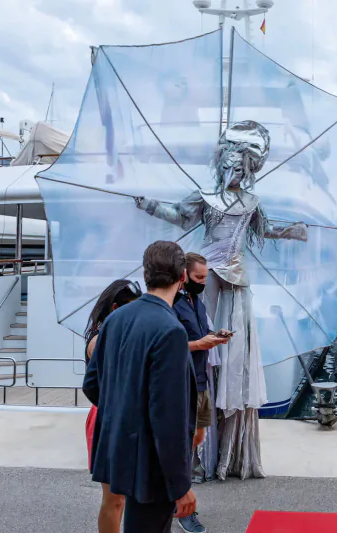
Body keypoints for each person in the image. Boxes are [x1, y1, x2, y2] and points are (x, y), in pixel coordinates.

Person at [135, 120, 308, 480]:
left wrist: (292, 230)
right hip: (208, 278)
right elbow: (179, 216)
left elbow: (264, 229)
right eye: (228, 164)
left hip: (238, 283)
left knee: (234, 356)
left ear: (247, 169)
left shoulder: (252, 202)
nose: (232, 171)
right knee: (206, 347)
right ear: (221, 164)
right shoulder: (205, 197)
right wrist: (150, 206)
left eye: (238, 166)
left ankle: (228, 452)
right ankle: (198, 446)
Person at [83, 241, 198, 533]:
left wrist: (125, 419)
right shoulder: (171, 330)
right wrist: (180, 484)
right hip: (152, 463)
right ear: (182, 276)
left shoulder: (114, 320)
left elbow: (92, 385)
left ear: (146, 275)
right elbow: (168, 417)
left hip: (117, 445)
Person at [174, 252, 231, 533]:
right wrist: (199, 344)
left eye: (205, 278)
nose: (203, 282)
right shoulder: (172, 303)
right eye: (199, 278)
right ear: (184, 276)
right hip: (183, 382)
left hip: (200, 380)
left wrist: (215, 335)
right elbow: (170, 344)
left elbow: (200, 333)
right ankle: (183, 506)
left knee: (198, 436)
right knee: (184, 447)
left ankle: (176, 492)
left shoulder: (196, 301)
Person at [83, 279, 142, 533]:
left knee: (128, 497)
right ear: (117, 308)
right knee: (114, 498)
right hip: (107, 416)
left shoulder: (116, 333)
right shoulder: (99, 340)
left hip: (124, 415)